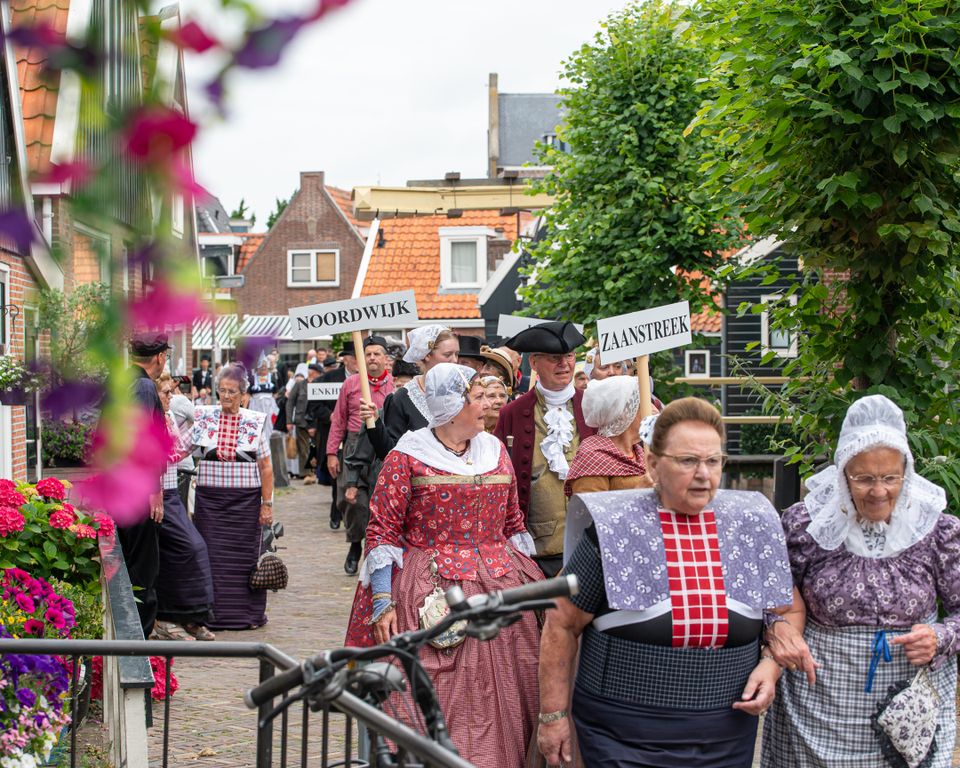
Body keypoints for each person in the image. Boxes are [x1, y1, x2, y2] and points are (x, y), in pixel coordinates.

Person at [540, 397, 794, 767]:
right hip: (622, 739)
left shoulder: (750, 523)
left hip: (726, 736)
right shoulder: (615, 527)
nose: (704, 474)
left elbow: (787, 610)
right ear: (653, 464)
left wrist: (770, 664)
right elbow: (561, 625)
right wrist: (553, 716)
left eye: (713, 460)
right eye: (688, 461)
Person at [344, 363, 542, 768]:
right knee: (439, 692)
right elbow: (382, 531)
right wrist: (383, 600)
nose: (486, 407)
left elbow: (513, 524)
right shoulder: (408, 456)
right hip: (430, 589)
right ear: (453, 407)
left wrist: (531, 583)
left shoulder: (494, 450)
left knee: (514, 681)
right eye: (477, 399)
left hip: (499, 583)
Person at [761, 395, 960, 768]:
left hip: (908, 709)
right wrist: (777, 629)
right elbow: (769, 598)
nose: (879, 491)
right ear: (842, 474)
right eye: (864, 478)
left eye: (890, 478)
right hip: (818, 708)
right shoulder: (806, 526)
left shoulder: (938, 530)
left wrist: (941, 637)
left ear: (907, 473)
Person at [494, 321, 596, 577]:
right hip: (536, 552)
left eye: (569, 356)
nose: (565, 364)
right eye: (554, 358)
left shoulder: (594, 407)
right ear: (534, 363)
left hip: (591, 545)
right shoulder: (511, 414)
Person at [191, 364, 274, 631]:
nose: (226, 396)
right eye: (222, 391)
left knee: (244, 559)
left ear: (243, 395)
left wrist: (267, 504)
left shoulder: (253, 421)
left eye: (232, 392)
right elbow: (182, 448)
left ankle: (246, 615)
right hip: (210, 502)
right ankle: (211, 614)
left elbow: (266, 467)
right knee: (211, 556)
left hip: (245, 502)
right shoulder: (204, 417)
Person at [153, 374, 216, 641]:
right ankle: (173, 616)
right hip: (157, 496)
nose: (172, 398)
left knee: (186, 550)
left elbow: (175, 451)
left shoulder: (167, 418)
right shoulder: (151, 419)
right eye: (166, 393)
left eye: (170, 392)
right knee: (191, 548)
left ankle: (187, 615)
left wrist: (202, 430)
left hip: (170, 494)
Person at [326, 336, 395, 575]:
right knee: (351, 500)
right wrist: (331, 453)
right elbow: (339, 420)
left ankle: (374, 549)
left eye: (377, 354)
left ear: (387, 358)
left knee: (379, 502)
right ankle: (355, 543)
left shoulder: (396, 386)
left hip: (383, 447)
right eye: (368, 354)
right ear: (361, 359)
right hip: (354, 445)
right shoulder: (351, 384)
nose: (373, 358)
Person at [119, 332, 170, 638]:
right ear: (160, 357)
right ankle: (138, 639)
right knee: (143, 567)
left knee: (128, 561)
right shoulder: (143, 386)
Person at [359, 324, 460, 460]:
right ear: (427, 355)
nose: (454, 360)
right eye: (448, 354)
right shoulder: (402, 398)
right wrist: (375, 422)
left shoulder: (463, 392)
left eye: (457, 354)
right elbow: (389, 452)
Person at [564, 376, 651, 497]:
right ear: (625, 413)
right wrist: (639, 492)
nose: (653, 410)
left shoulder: (641, 452)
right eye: (645, 404)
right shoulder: (592, 458)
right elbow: (590, 513)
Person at [317, 343, 359, 528]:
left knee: (351, 477)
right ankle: (336, 514)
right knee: (337, 477)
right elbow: (314, 407)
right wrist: (329, 415)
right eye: (355, 357)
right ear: (346, 359)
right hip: (334, 433)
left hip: (356, 435)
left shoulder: (367, 380)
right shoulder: (327, 378)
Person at [286, 363, 323, 483]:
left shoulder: (322, 384)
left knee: (316, 448)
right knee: (304, 449)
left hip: (318, 422)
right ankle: (307, 474)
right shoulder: (299, 385)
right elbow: (290, 402)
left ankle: (316, 473)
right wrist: (289, 421)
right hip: (301, 421)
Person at [248, 353, 279, 427]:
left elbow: (276, 392)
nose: (263, 368)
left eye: (265, 366)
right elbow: (248, 393)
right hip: (256, 405)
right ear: (258, 367)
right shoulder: (252, 379)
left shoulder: (272, 378)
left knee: (269, 425)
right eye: (261, 366)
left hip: (269, 405)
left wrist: (271, 402)